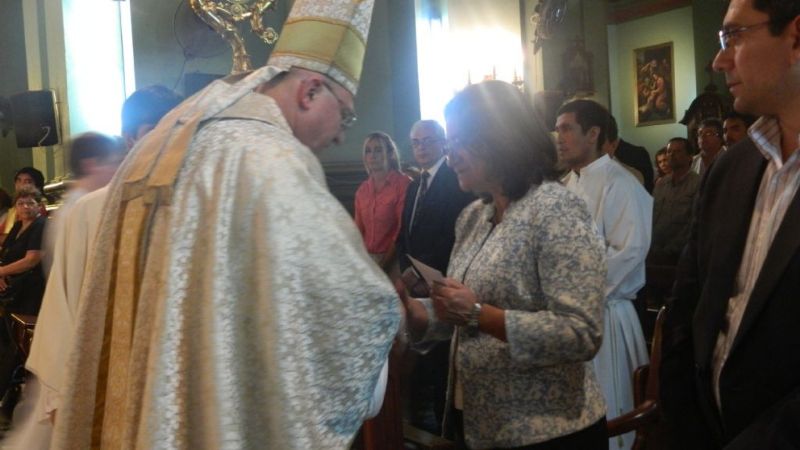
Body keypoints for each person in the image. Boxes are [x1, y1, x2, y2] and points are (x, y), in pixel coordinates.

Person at [50, 1, 400, 449]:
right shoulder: (271, 161)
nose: (341, 135)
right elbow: (347, 313)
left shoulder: (167, 138)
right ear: (310, 92)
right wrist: (396, 313)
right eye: (345, 115)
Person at [403, 80, 607, 449]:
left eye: (460, 142)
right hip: (480, 423)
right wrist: (421, 314)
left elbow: (581, 332)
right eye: (449, 144)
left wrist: (480, 315)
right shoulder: (473, 217)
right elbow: (463, 313)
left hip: (548, 430)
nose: (451, 156)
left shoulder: (556, 209)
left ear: (501, 138)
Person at [3, 87, 182, 450]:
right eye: (158, 130)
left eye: (180, 129)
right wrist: (62, 393)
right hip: (108, 371)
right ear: (132, 138)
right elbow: (66, 300)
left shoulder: (197, 200)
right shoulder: (89, 210)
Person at [660, 0, 800, 448]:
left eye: (734, 36)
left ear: (796, 37)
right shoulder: (731, 167)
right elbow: (689, 305)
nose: (719, 60)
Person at [557, 99, 651, 450]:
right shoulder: (563, 186)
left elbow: (629, 251)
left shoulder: (621, 183)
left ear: (593, 133)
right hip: (567, 319)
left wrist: (573, 287)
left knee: (610, 412)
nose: (559, 137)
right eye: (557, 129)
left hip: (606, 316)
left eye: (567, 129)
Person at [395, 119, 474, 434]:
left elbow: (454, 234)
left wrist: (427, 275)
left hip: (444, 281)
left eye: (428, 140)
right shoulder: (414, 185)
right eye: (416, 142)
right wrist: (407, 269)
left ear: (442, 142)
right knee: (421, 363)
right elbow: (405, 235)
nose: (421, 147)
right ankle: (421, 424)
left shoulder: (455, 180)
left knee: (442, 364)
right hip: (417, 284)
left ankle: (444, 429)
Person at [41, 132, 126, 276]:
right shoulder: (80, 209)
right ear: (90, 165)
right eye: (113, 163)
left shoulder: (79, 204)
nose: (117, 170)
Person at [0, 186, 47, 406]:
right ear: (15, 208)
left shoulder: (41, 225)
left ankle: (14, 393)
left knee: (19, 344)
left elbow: (31, 260)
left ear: (40, 205)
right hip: (13, 290)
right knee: (8, 340)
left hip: (31, 291)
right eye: (21, 203)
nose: (25, 207)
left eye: (30, 203)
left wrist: (1, 272)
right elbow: (5, 254)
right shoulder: (18, 226)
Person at [354, 132, 411, 272]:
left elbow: (401, 230)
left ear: (390, 154)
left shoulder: (403, 184)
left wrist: (384, 265)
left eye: (378, 150)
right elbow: (358, 231)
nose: (372, 155)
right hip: (366, 259)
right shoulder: (362, 190)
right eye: (368, 151)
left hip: (395, 259)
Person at [650, 137, 699, 263]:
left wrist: (673, 249)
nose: (671, 155)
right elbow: (652, 215)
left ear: (689, 157)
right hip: (655, 250)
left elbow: (694, 222)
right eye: (669, 151)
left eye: (677, 151)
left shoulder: (697, 183)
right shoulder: (661, 184)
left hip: (680, 255)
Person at [1, 168, 46, 245]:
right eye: (19, 181)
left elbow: (19, 239)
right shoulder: (13, 209)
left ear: (38, 186)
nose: (21, 185)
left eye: (28, 181)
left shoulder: (36, 209)